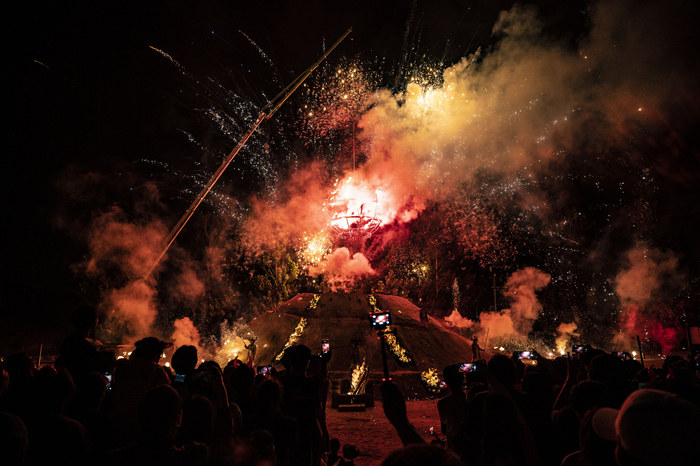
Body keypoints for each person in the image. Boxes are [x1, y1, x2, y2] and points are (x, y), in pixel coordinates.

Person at [436, 364, 467, 451]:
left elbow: (444, 429)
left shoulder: (443, 403)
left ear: (446, 381)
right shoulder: (470, 400)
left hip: (452, 446)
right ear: (462, 379)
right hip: (468, 446)